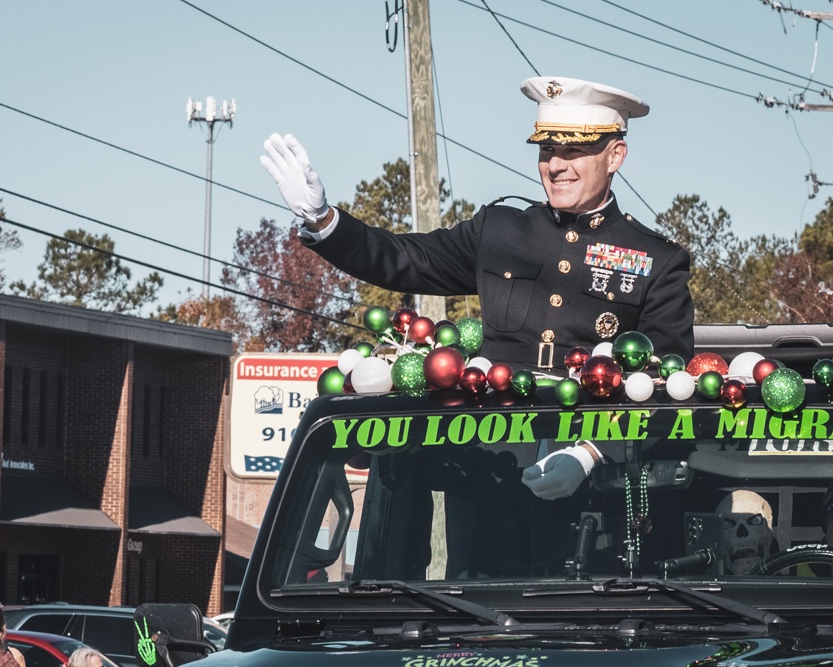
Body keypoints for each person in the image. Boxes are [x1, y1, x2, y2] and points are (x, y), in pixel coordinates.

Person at [262, 76, 696, 500]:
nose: (556, 165)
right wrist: (324, 221)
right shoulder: (500, 231)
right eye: (547, 149)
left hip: (594, 491)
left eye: (574, 150)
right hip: (486, 474)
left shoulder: (656, 259)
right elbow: (405, 259)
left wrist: (590, 454)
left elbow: (666, 386)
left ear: (616, 154)